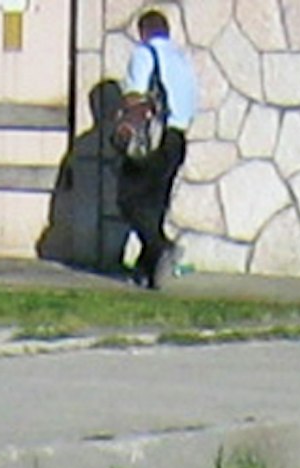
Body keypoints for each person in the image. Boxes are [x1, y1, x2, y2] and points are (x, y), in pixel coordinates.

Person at [114, 7, 198, 291]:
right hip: (177, 138)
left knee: (129, 200)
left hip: (152, 139)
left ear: (144, 31)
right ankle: (148, 270)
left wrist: (125, 130)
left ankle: (162, 248)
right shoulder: (182, 60)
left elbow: (136, 98)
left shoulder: (145, 54)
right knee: (155, 204)